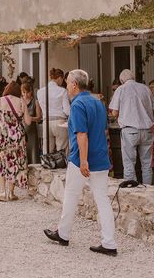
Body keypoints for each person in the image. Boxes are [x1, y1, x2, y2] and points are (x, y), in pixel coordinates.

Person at [44, 69, 117, 256]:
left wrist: (83, 160)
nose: (66, 85)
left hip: (81, 158)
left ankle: (64, 233)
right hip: (101, 156)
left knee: (71, 194)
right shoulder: (98, 102)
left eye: (68, 82)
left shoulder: (77, 105)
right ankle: (109, 242)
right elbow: (103, 130)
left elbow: (82, 134)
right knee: (102, 199)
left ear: (74, 84)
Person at [109, 69, 154, 185]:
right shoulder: (145, 88)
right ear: (133, 77)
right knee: (147, 164)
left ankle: (132, 190)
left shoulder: (121, 89)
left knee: (129, 163)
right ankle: (148, 190)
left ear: (121, 80)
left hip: (130, 130)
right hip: (147, 130)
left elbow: (114, 113)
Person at [0, 81, 34, 201]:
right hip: (17, 137)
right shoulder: (21, 102)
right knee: (15, 163)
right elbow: (28, 122)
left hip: (3, 137)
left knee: (2, 162)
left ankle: (3, 193)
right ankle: (12, 193)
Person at [36, 68, 71, 154]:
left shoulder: (40, 92)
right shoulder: (63, 91)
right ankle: (62, 166)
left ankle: (47, 166)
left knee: (46, 151)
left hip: (46, 122)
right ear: (59, 78)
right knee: (62, 151)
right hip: (60, 121)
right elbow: (67, 110)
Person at [22, 79, 42, 165]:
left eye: (27, 92)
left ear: (31, 92)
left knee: (33, 152)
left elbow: (39, 117)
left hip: (32, 131)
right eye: (23, 92)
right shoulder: (20, 101)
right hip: (22, 130)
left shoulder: (35, 102)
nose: (25, 95)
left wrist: (30, 118)